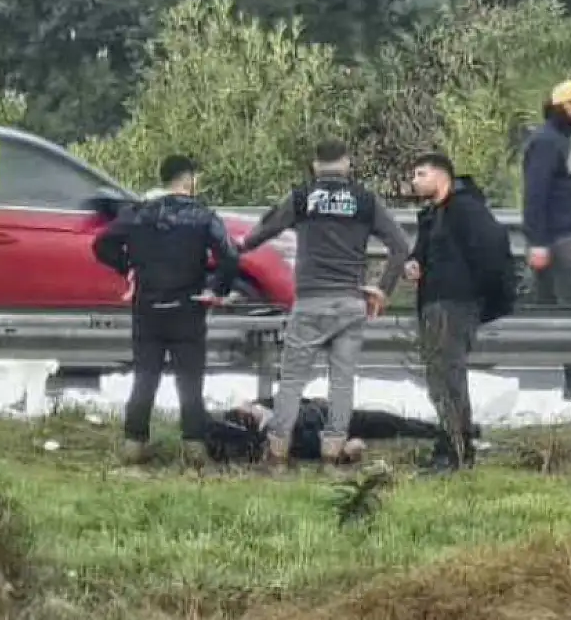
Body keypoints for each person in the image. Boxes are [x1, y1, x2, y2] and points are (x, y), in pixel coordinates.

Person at [237, 139, 411, 468]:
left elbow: (261, 232)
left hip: (310, 303)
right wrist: (382, 289)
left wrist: (236, 248)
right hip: (350, 303)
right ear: (347, 164)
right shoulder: (365, 200)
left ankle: (277, 453)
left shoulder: (302, 197)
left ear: (316, 165)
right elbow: (401, 246)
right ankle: (332, 453)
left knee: (292, 380)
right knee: (342, 382)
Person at [93, 155, 240, 466]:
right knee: (190, 380)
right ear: (188, 180)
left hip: (147, 306)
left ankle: (134, 443)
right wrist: (216, 289)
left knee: (145, 377)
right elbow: (229, 255)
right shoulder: (203, 216)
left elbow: (102, 244)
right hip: (188, 306)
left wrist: (128, 266)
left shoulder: (138, 213)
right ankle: (194, 447)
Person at [407, 152, 505, 473]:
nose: (415, 181)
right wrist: (414, 262)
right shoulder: (432, 215)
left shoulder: (465, 209)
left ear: (441, 176)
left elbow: (493, 250)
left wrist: (477, 296)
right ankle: (456, 445)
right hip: (434, 302)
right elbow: (421, 252)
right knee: (442, 378)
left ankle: (455, 451)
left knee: (447, 378)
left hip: (455, 303)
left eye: (421, 174)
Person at [204, 396, 461, 466]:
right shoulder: (280, 438)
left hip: (334, 415)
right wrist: (347, 453)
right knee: (392, 425)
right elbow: (319, 452)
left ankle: (451, 432)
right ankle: (450, 435)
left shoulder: (265, 405)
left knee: (393, 423)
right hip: (335, 427)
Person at [522, 81, 571, 307]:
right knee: (560, 310)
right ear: (567, 106)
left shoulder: (560, 140)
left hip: (564, 239)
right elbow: (536, 194)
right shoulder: (546, 142)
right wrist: (538, 243)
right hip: (555, 241)